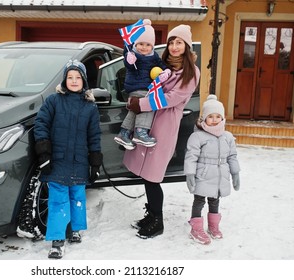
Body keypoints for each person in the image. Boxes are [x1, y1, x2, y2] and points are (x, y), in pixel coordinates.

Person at [124, 24, 200, 239]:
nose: (174, 47)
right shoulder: (162, 63)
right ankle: (151, 215)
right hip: (147, 123)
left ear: (186, 46)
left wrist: (142, 104)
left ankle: (157, 221)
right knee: (146, 174)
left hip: (164, 126)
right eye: (171, 42)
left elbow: (173, 98)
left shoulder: (191, 71)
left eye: (179, 43)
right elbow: (137, 68)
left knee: (153, 176)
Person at [33, 59, 103, 259]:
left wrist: (95, 163)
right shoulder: (54, 101)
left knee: (77, 197)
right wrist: (44, 153)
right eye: (70, 77)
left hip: (79, 161)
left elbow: (94, 136)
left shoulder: (90, 107)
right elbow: (41, 124)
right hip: (58, 161)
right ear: (64, 80)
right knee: (58, 200)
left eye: (77, 77)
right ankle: (57, 239)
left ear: (84, 81)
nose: (73, 81)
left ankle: (74, 228)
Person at [184, 94, 240, 245]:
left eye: (218, 116)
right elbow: (191, 156)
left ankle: (213, 226)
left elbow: (232, 156)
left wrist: (235, 173)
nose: (214, 119)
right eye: (210, 116)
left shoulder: (227, 137)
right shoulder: (198, 136)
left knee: (215, 201)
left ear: (222, 118)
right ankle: (196, 228)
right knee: (199, 201)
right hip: (203, 174)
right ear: (204, 119)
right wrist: (190, 173)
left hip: (220, 176)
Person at [114, 19, 166, 150]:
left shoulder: (154, 56)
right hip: (137, 86)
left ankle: (124, 133)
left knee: (135, 109)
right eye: (141, 44)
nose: (144, 47)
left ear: (152, 46)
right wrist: (129, 60)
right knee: (148, 105)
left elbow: (161, 65)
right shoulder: (132, 54)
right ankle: (140, 132)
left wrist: (166, 71)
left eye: (148, 44)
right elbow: (128, 63)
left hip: (144, 87)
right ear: (135, 44)